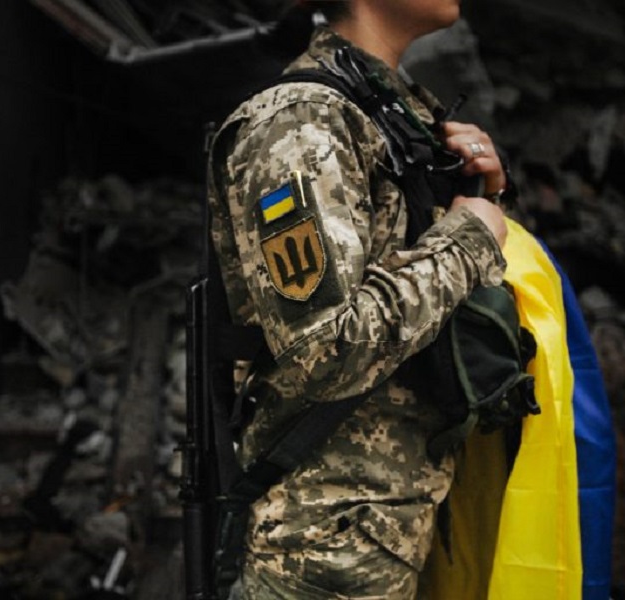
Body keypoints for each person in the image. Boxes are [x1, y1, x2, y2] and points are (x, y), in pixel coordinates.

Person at [205, 0, 510, 597]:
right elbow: (326, 350)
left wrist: (479, 195)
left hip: (387, 527)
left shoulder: (389, 111)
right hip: (321, 548)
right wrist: (469, 237)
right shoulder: (300, 124)